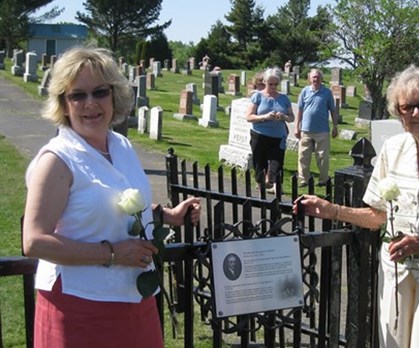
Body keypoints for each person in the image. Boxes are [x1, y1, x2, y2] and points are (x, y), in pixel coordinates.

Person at [295, 66, 419, 347]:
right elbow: (379, 216)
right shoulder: (393, 149)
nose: (415, 113)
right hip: (396, 272)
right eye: (406, 107)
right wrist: (332, 210)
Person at [22, 46, 201, 348]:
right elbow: (34, 241)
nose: (90, 104)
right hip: (79, 307)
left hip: (134, 299)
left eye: (99, 92)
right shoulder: (57, 160)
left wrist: (166, 215)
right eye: (77, 95)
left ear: (113, 95)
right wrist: (114, 254)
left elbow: (116, 203)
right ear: (64, 105)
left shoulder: (120, 145)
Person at [245, 67, 294, 193]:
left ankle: (276, 185)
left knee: (277, 163)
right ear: (265, 82)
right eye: (270, 84)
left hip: (278, 136)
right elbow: (249, 117)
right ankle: (261, 184)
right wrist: (265, 117)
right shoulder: (257, 96)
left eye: (276, 84)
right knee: (259, 162)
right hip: (260, 135)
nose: (273, 86)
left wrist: (284, 117)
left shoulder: (284, 98)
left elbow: (291, 117)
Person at [294, 69, 339, 187]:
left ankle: (323, 179)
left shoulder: (327, 93)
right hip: (306, 130)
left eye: (318, 77)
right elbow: (300, 110)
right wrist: (296, 127)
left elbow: (333, 110)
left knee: (322, 157)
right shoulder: (304, 91)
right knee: (303, 156)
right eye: (313, 77)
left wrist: (335, 126)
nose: (315, 79)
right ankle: (304, 179)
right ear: (310, 79)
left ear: (321, 78)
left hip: (322, 130)